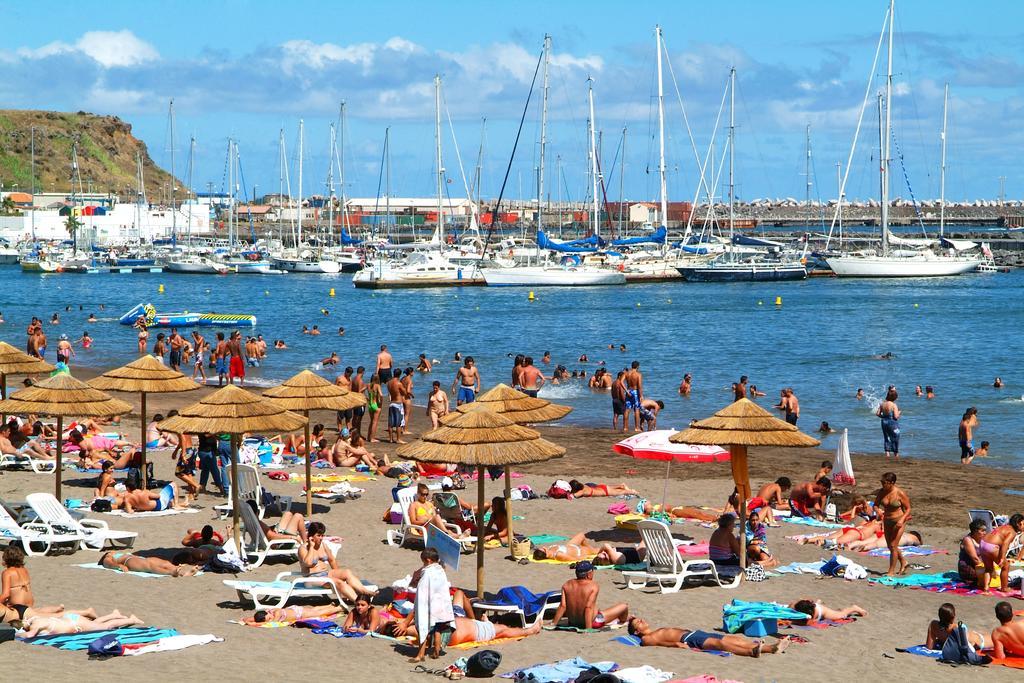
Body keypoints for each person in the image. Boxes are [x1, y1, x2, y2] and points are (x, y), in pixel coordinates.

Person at [627, 616, 790, 656]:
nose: (641, 620)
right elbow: (662, 643)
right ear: (636, 632)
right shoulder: (646, 639)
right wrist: (676, 645)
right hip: (687, 639)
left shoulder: (652, 632)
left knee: (729, 639)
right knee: (719, 644)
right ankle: (767, 649)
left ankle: (755, 645)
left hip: (693, 633)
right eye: (638, 623)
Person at [298, 522, 375, 602]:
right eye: (318, 535)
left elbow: (332, 560)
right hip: (312, 579)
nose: (321, 538)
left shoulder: (323, 545)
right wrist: (311, 547)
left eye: (322, 535)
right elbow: (308, 563)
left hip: (326, 574)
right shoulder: (303, 548)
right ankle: (358, 602)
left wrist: (338, 574)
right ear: (311, 536)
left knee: (347, 572)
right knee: (338, 582)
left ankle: (363, 591)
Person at [549, 561, 629, 630]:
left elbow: (563, 606)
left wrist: (553, 624)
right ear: (588, 574)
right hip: (593, 622)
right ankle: (622, 621)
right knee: (624, 606)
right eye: (593, 571)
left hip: (572, 622)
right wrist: (588, 628)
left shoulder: (567, 584)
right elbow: (588, 608)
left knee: (598, 610)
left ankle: (616, 619)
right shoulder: (593, 586)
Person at [411, 547, 454, 662]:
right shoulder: (440, 571)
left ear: (428, 561)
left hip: (430, 605)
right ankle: (436, 650)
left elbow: (422, 592)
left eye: (424, 562)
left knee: (423, 627)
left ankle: (420, 654)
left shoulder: (428, 573)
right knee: (438, 628)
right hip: (441, 605)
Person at [874, 472, 911, 576]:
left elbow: (908, 509)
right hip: (887, 521)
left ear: (892, 483)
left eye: (884, 482)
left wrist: (902, 519)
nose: (882, 484)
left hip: (898, 521)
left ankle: (891, 571)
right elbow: (876, 505)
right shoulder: (882, 492)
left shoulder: (899, 493)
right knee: (890, 546)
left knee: (893, 545)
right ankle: (904, 562)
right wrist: (878, 511)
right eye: (881, 482)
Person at [979, 514, 1024, 592]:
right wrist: (1002, 557)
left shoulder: (1004, 527)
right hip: (992, 546)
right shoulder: (1012, 532)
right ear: (1017, 524)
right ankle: (1004, 588)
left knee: (988, 568)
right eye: (1023, 524)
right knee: (1005, 566)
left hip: (982, 543)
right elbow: (1005, 543)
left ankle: (986, 588)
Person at [22, 611, 145, 637]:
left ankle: (132, 620)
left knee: (105, 627)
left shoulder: (34, 626)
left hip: (74, 623)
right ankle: (113, 615)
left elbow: (28, 636)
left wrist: (16, 635)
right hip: (70, 619)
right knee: (93, 625)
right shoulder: (35, 619)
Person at [99, 551, 198, 576]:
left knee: (165, 563)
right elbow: (107, 563)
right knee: (149, 567)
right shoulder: (108, 556)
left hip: (139, 558)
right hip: (128, 561)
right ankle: (172, 572)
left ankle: (183, 573)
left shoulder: (116, 553)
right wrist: (119, 566)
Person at [243, 604, 343, 626]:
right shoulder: (269, 611)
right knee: (313, 610)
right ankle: (330, 606)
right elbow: (255, 618)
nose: (269, 620)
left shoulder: (276, 614)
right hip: (295, 610)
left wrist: (251, 623)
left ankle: (339, 608)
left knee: (316, 613)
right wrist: (247, 620)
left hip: (298, 613)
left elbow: (267, 622)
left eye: (268, 618)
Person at [123, 482, 190, 513]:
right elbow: (158, 496)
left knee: (169, 501)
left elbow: (130, 511)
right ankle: (176, 505)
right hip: (159, 505)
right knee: (173, 484)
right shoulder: (144, 492)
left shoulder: (127, 499)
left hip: (153, 508)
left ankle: (183, 504)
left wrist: (138, 507)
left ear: (128, 488)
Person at [532, 532, 602, 562]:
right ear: (546, 554)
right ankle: (591, 549)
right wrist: (585, 557)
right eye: (544, 549)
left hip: (570, 545)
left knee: (581, 535)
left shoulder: (550, 549)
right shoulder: (558, 555)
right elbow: (574, 559)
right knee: (600, 550)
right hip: (580, 551)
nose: (544, 547)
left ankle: (590, 548)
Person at [958, 519, 986, 586]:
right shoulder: (968, 540)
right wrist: (987, 570)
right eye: (982, 531)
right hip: (969, 567)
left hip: (979, 566)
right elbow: (975, 559)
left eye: (985, 530)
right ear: (975, 531)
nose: (985, 533)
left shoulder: (982, 538)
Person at [790, 599, 867, 623]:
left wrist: (791, 621)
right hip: (812, 606)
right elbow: (791, 605)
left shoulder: (813, 613)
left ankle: (854, 608)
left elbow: (811, 621)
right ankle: (818, 602)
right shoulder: (796, 604)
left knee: (841, 615)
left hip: (823, 611)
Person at [877, 388, 901, 458]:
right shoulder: (894, 405)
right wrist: (899, 413)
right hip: (892, 422)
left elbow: (877, 414)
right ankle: (896, 454)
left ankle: (887, 454)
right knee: (896, 436)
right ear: (894, 397)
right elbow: (896, 417)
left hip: (884, 422)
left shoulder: (882, 404)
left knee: (886, 437)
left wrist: (884, 417)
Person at [386, 368, 408, 444]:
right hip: (398, 403)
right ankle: (398, 439)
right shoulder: (398, 383)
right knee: (399, 423)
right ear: (400, 374)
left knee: (391, 423)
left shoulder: (389, 383)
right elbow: (405, 393)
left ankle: (391, 439)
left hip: (391, 403)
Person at [623, 361, 643, 432]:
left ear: (631, 366)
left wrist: (626, 391)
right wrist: (641, 396)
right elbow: (639, 386)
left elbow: (621, 382)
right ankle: (637, 427)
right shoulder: (638, 374)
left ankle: (625, 427)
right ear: (637, 366)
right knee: (636, 410)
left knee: (627, 410)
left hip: (629, 391)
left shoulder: (627, 373)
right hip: (635, 392)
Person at [365, 374, 384, 443]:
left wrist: (366, 398)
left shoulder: (368, 385)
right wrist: (380, 403)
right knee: (375, 422)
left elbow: (361, 390)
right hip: (375, 404)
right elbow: (381, 395)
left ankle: (368, 437)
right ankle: (372, 438)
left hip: (370, 405)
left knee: (371, 421)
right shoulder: (377, 386)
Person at [568, 479, 638, 497]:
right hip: (600, 487)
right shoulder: (582, 485)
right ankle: (621, 486)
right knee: (611, 488)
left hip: (604, 491)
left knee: (621, 492)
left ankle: (634, 492)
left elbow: (573, 496)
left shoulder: (582, 491)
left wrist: (566, 494)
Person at [401, 367, 415, 434]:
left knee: (403, 414)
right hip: (407, 398)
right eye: (413, 372)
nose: (413, 373)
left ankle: (401, 428)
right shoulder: (409, 380)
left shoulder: (402, 378)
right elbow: (408, 390)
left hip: (401, 397)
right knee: (407, 414)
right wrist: (412, 395)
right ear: (411, 372)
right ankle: (405, 430)